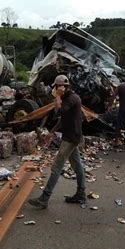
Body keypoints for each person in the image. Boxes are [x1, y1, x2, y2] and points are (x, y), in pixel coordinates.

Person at [28, 75, 86, 208]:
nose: (54, 89)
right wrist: (52, 131)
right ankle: (81, 193)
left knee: (56, 167)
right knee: (77, 165)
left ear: (62, 87)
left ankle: (44, 198)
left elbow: (58, 112)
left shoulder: (71, 98)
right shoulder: (69, 98)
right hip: (73, 136)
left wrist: (57, 96)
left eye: (56, 87)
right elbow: (63, 119)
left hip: (71, 138)